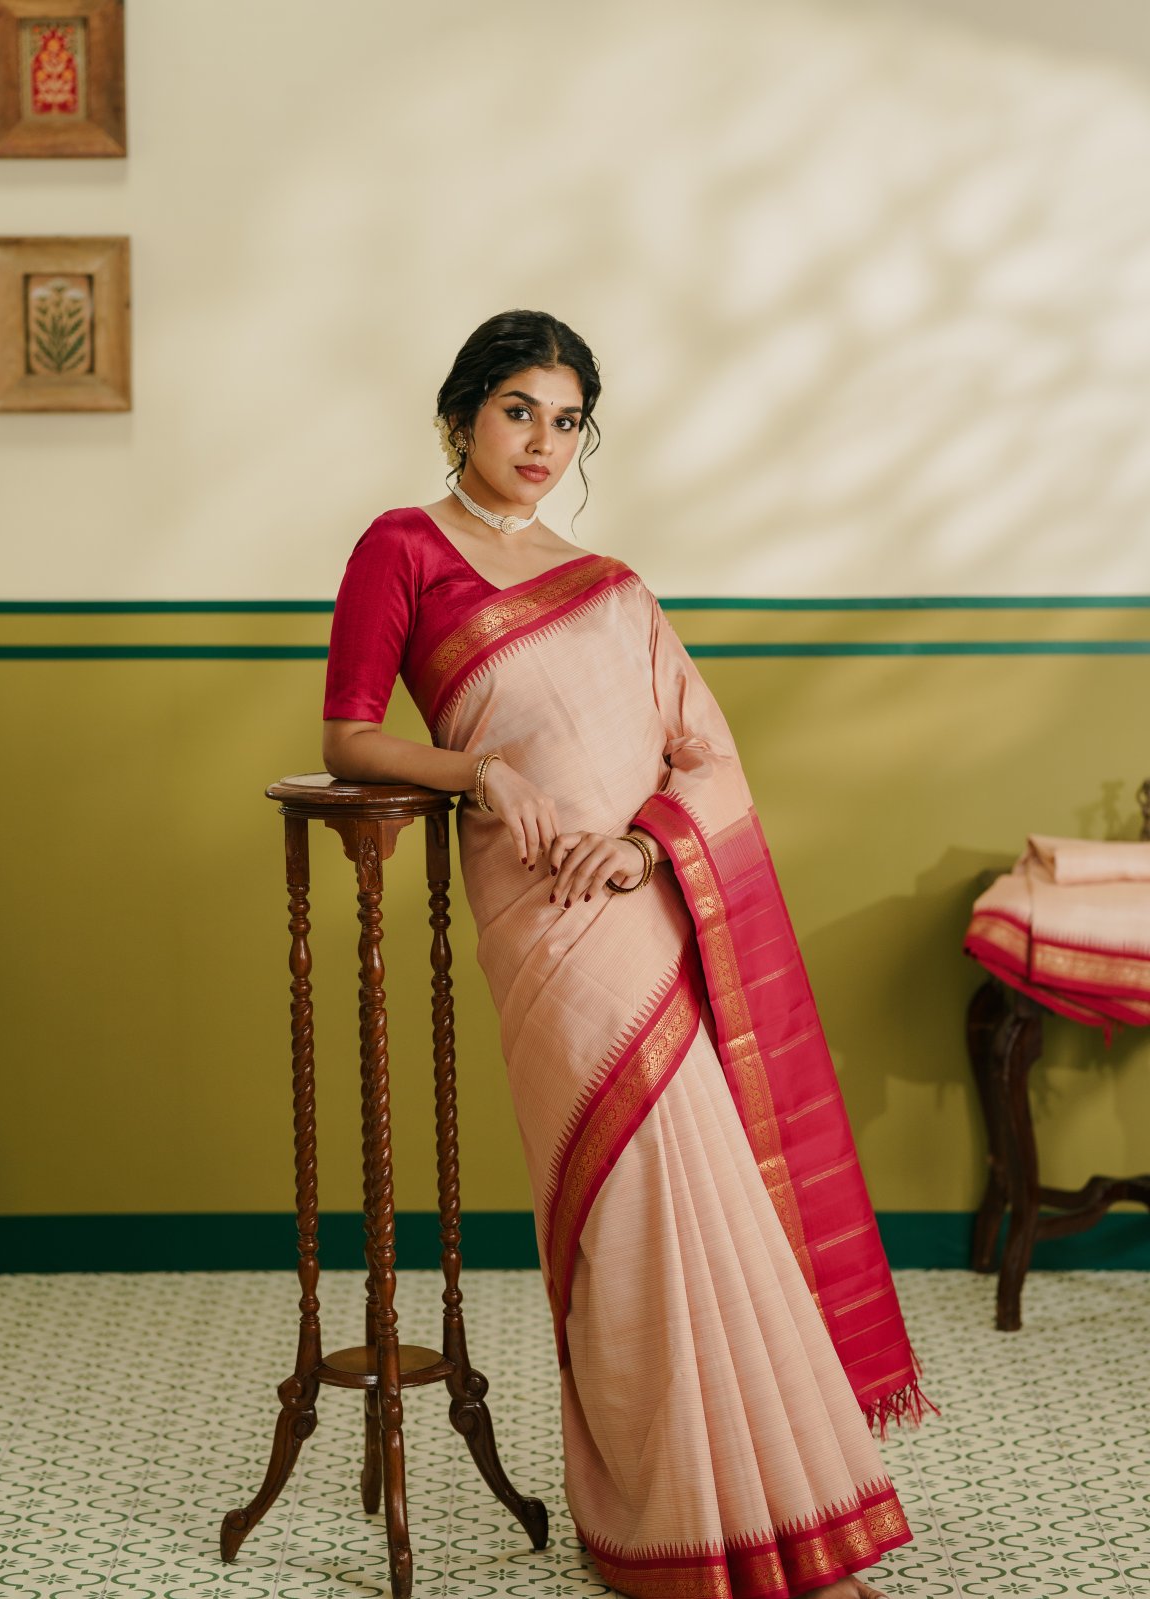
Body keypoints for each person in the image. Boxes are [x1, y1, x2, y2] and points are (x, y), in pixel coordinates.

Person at [322, 309, 935, 1599]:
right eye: (517, 411)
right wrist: (477, 769)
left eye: (566, 420)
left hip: (640, 902)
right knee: (634, 1207)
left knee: (710, 1194)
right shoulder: (403, 550)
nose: (542, 441)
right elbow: (351, 741)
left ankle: (791, 1524)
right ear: (462, 414)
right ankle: (673, 1523)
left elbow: (704, 757)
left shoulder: (613, 586)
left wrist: (652, 847)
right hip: (535, 911)